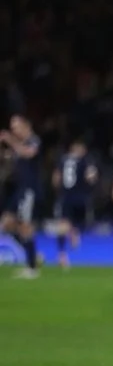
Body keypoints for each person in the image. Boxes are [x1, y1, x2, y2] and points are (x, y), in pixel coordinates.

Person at [0, 114, 42, 279]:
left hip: (29, 190)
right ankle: (32, 254)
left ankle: (32, 268)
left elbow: (28, 153)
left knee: (25, 225)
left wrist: (9, 140)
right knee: (7, 223)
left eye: (16, 127)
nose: (14, 130)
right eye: (12, 128)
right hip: (19, 190)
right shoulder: (18, 145)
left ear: (26, 125)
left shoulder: (34, 140)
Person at [51, 139, 99, 269]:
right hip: (80, 197)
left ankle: (62, 253)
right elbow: (91, 176)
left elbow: (56, 178)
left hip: (65, 196)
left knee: (63, 223)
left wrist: (59, 192)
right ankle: (73, 234)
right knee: (78, 222)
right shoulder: (85, 160)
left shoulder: (63, 159)